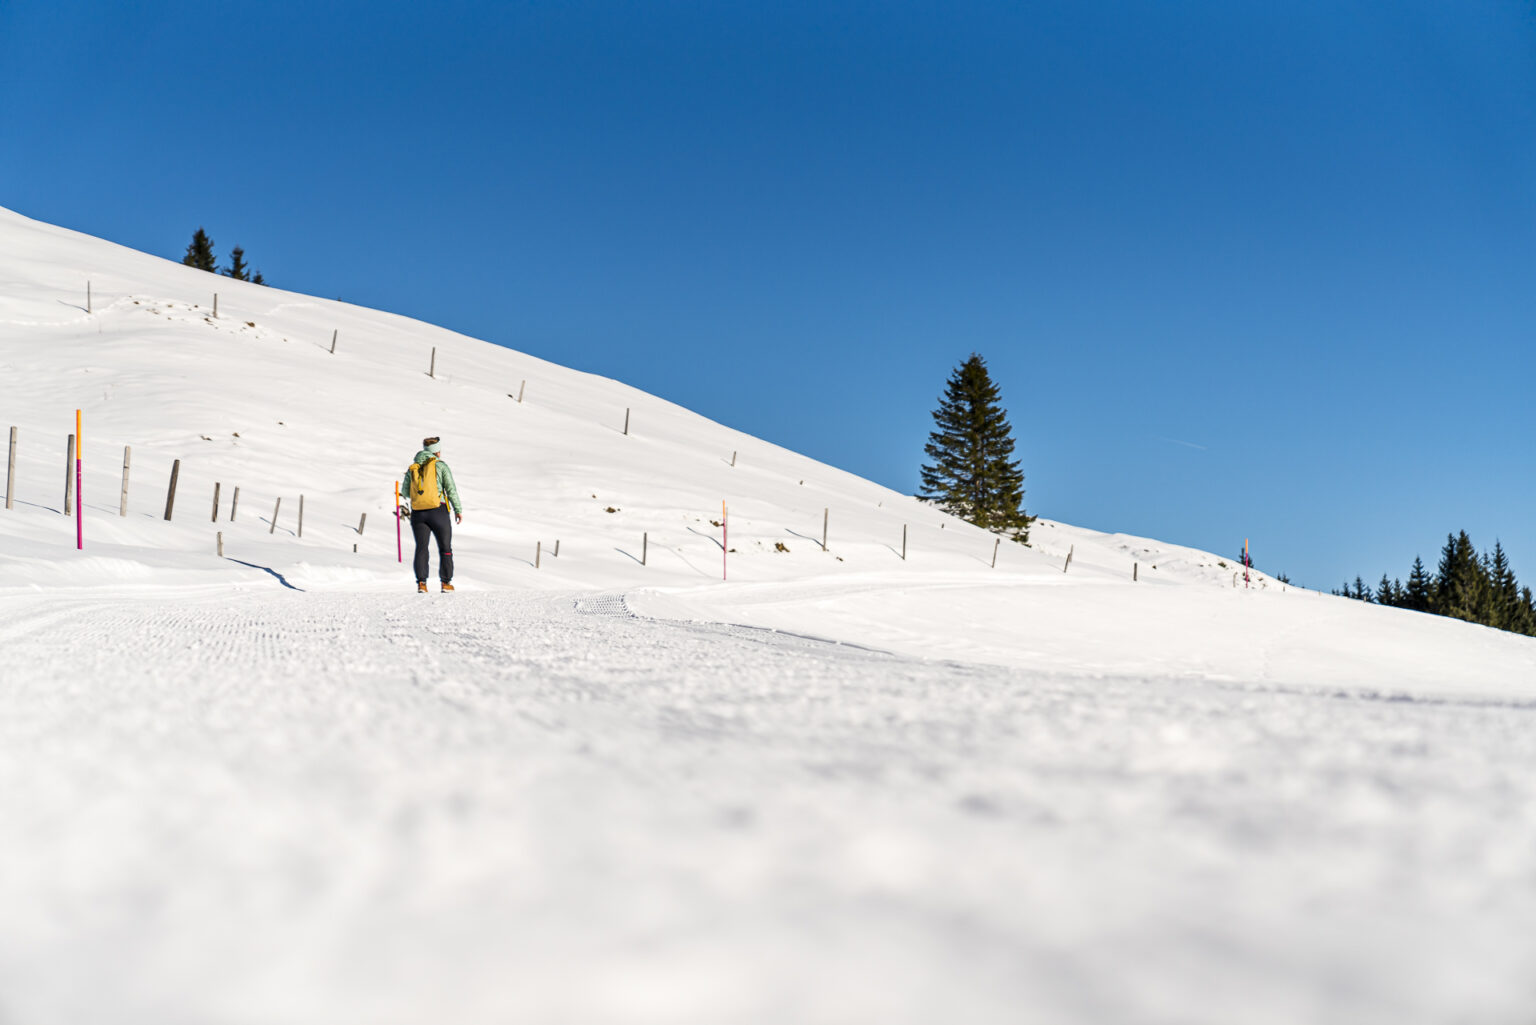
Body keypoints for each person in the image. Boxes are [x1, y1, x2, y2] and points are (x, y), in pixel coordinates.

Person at [401, 436, 463, 592]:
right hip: (438, 511)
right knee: (445, 548)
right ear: (437, 452)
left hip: (418, 513)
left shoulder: (413, 467)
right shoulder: (440, 466)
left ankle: (422, 584)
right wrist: (458, 510)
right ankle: (445, 583)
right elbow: (451, 490)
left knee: (421, 547)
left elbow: (405, 492)